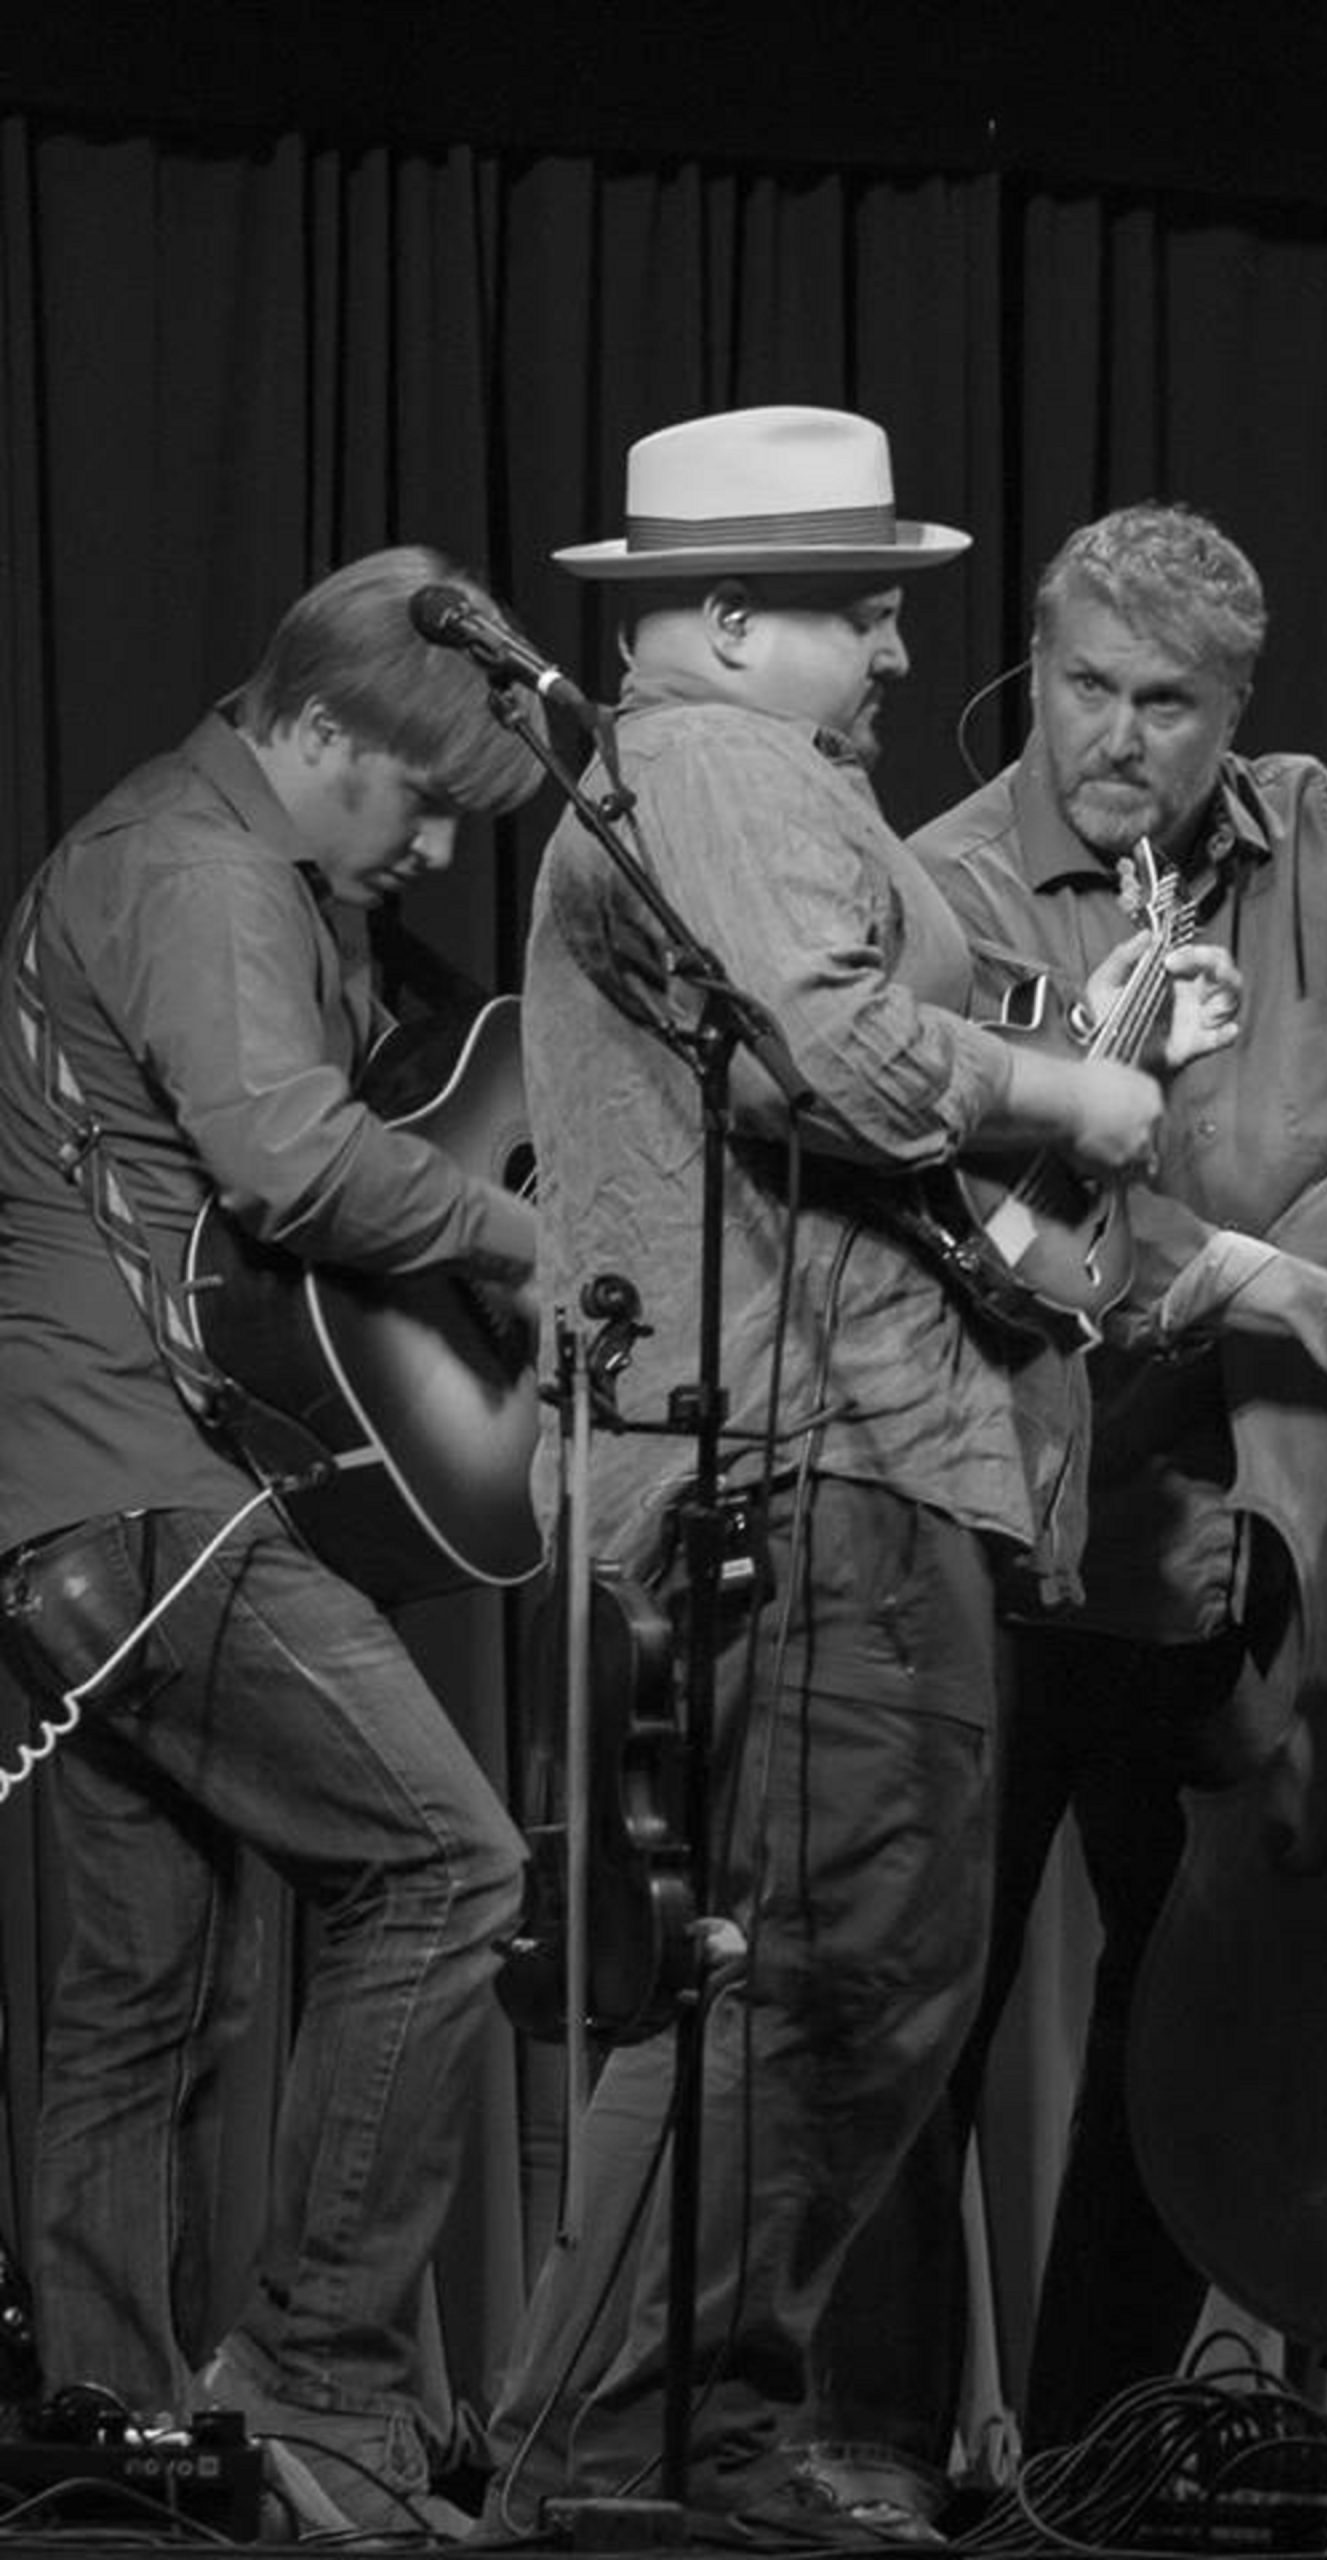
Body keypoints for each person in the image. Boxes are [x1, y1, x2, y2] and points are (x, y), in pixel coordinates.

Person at [810, 499, 1327, 2527]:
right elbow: (1037, 1216)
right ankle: (869, 2444)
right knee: (921, 2006)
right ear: (1036, 663)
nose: (1117, 734)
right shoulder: (934, 888)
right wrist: (1323, 1297)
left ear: (1230, 715)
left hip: (1246, 1544)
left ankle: (1097, 2435)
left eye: (1164, 703)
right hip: (999, 1526)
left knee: (1192, 2020)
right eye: (1085, 686)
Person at [476, 411, 1236, 2538]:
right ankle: (610, 2439)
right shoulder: (715, 765)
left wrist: (1087, 1068)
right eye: (855, 605)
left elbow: (864, 1120)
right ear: (720, 618)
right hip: (795, 1459)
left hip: (842, 1443)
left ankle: (674, 2432)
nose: (899, 646)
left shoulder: (765, 787)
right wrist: (1067, 1083)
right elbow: (830, 1039)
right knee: (828, 1958)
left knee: (835, 1963)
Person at [0, 547, 547, 2536]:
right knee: (449, 1859)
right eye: (406, 796)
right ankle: (312, 2383)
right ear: (314, 730)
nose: (419, 845)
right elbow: (294, 1159)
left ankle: (115, 2456)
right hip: (143, 1495)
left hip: (72, 1498)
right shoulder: (206, 873)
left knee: (143, 1997)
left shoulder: (232, 872)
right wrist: (528, 1246)